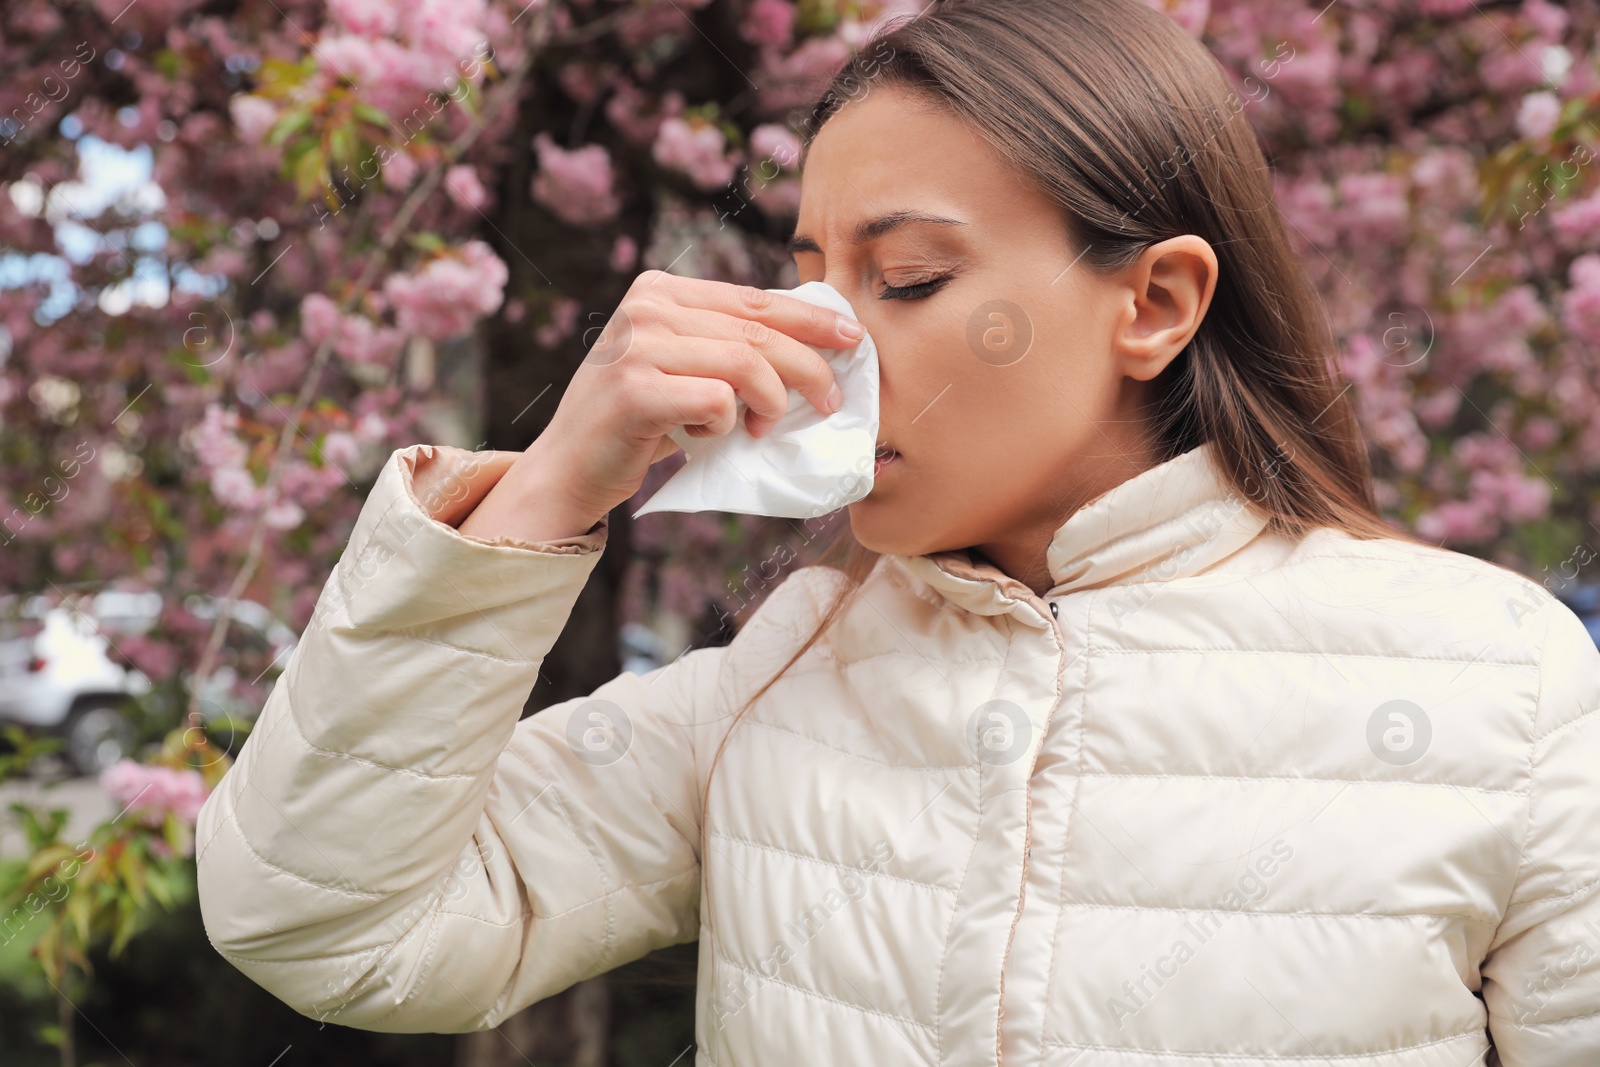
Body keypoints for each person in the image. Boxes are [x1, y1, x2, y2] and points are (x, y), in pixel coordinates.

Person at [195, 0, 1600, 1062]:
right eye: (808, 279)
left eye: (910, 278)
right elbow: (326, 924)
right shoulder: (787, 673)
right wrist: (548, 490)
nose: (823, 349)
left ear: (1156, 304)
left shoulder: (1505, 687)